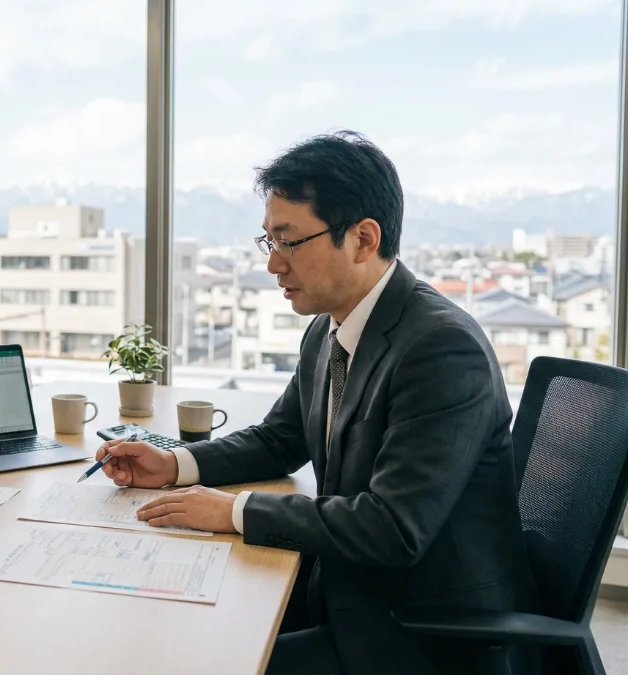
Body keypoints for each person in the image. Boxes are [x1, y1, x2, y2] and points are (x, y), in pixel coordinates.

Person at [96, 131, 539, 675]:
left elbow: (392, 527)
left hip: (421, 631)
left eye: (289, 242)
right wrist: (174, 464)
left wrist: (232, 510)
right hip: (346, 586)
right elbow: (279, 439)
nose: (273, 265)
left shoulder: (441, 348)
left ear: (363, 239)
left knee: (199, 658)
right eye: (268, 242)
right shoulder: (332, 327)